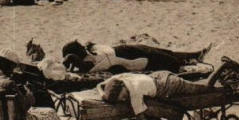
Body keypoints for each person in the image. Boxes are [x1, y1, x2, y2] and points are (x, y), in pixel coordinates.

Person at [96, 71, 213, 118]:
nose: (123, 99)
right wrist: (103, 92)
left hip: (169, 85)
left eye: (122, 97)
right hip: (159, 76)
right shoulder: (119, 78)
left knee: (206, 88)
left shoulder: (134, 92)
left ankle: (224, 65)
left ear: (122, 87)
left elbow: (140, 114)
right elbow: (100, 85)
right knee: (195, 79)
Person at [63, 41, 211, 74]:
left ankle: (193, 56)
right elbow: (69, 58)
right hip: (130, 57)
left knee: (162, 52)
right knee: (162, 58)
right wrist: (69, 61)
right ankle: (192, 59)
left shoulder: (88, 56)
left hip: (126, 50)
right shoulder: (87, 64)